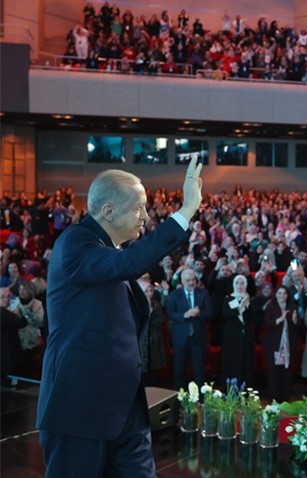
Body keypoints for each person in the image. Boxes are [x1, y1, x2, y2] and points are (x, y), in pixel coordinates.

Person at [37, 159, 202, 477]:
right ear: (109, 211)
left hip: (125, 408)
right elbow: (128, 263)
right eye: (139, 208)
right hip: (80, 409)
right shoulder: (75, 243)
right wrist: (187, 209)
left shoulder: (108, 249)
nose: (145, 216)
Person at [166, 268, 213, 389]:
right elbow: (169, 313)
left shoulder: (203, 293)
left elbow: (210, 312)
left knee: (199, 370)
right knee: (179, 370)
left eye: (193, 280)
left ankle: (200, 401)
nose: (191, 283)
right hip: (180, 337)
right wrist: (184, 315)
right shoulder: (175, 294)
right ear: (182, 281)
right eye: (188, 280)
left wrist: (199, 313)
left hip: (198, 337)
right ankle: (178, 399)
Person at [264, 286, 300, 402]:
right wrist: (280, 319)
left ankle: (285, 398)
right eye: (279, 293)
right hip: (274, 345)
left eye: (284, 293)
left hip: (288, 345)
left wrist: (295, 321)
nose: (282, 296)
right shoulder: (271, 306)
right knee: (274, 372)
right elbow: (268, 324)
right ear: (276, 295)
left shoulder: (292, 307)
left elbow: (298, 326)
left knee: (286, 373)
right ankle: (274, 399)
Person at [220, 274, 254, 386]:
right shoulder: (227, 298)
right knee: (232, 363)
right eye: (237, 283)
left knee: (245, 362)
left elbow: (252, 318)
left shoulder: (249, 299)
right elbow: (226, 314)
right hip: (231, 337)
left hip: (245, 337)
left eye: (242, 283)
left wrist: (247, 305)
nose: (240, 286)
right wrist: (240, 307)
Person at [138, 279, 167, 385]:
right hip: (141, 340)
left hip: (154, 339)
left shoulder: (155, 303)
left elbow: (161, 319)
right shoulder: (137, 304)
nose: (149, 293)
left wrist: (152, 313)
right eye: (146, 291)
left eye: (151, 291)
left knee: (153, 369)